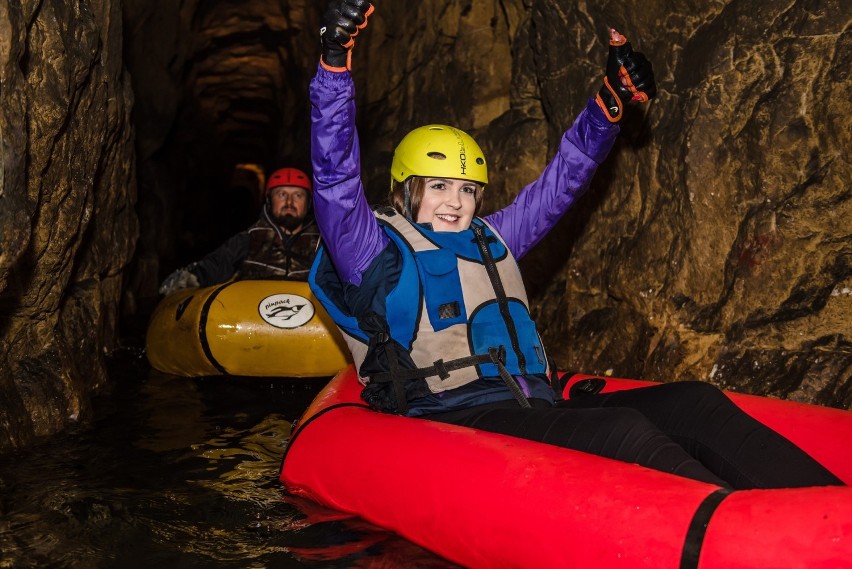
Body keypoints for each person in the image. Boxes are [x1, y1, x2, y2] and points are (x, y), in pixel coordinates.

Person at [307, 0, 843, 490]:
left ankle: (826, 506)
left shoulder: (492, 239)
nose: (456, 202)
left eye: (468, 190)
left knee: (694, 402)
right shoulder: (371, 252)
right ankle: (747, 537)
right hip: (451, 414)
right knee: (623, 431)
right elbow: (334, 177)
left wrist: (608, 104)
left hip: (530, 398)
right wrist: (335, 61)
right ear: (406, 191)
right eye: (440, 187)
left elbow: (562, 182)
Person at [159, 167, 321, 295]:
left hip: (306, 325)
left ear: (308, 204)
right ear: (269, 201)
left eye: (298, 195)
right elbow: (216, 265)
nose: (289, 202)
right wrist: (190, 278)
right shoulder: (249, 239)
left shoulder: (322, 245)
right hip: (253, 320)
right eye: (282, 194)